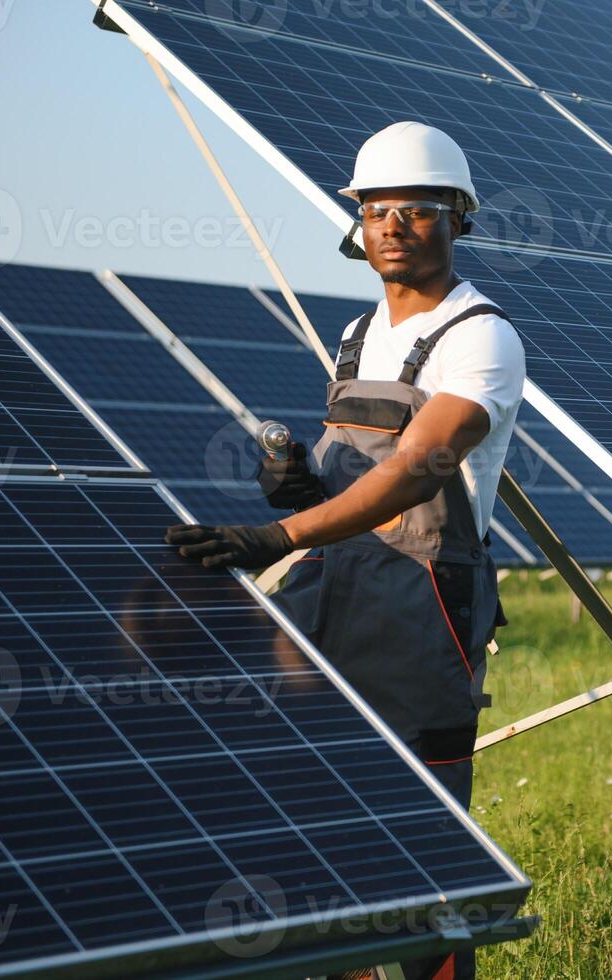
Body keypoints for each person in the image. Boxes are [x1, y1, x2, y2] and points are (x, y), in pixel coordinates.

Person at [164, 122, 525, 980]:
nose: (394, 224)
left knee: (426, 851)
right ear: (355, 225)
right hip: (333, 599)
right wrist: (298, 491)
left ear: (458, 220)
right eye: (376, 209)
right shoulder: (358, 333)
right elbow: (351, 482)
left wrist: (276, 535)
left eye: (418, 208)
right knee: (316, 830)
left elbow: (416, 470)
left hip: (425, 614)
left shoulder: (480, 337)